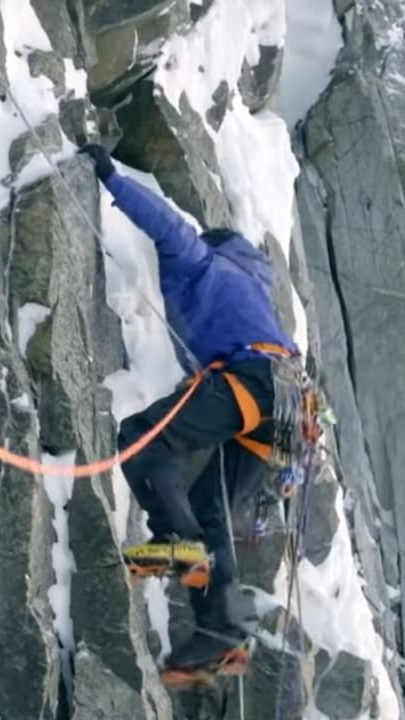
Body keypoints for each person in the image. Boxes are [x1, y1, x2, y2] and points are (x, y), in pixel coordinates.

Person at [78, 142, 299, 669]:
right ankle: (223, 629)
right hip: (287, 407)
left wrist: (110, 174)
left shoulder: (206, 266)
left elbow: (169, 227)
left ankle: (178, 542)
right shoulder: (254, 293)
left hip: (252, 384)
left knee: (140, 441)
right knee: (211, 507)